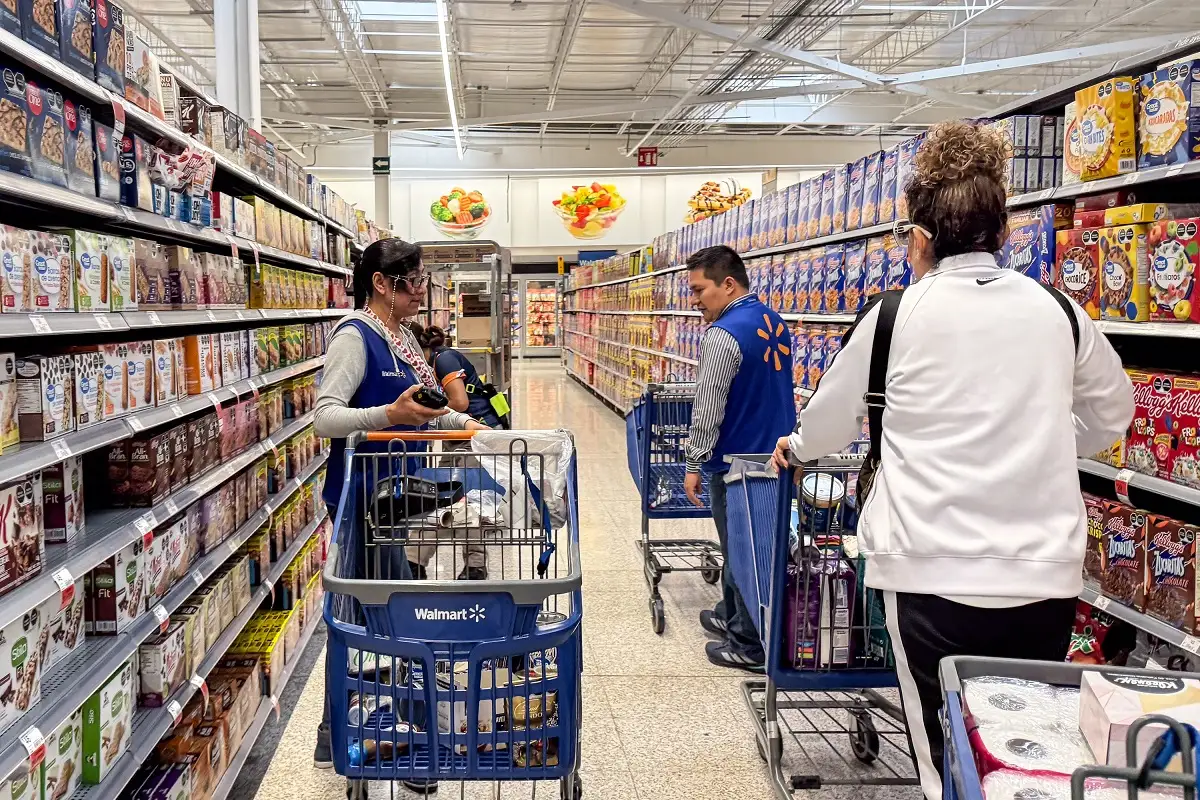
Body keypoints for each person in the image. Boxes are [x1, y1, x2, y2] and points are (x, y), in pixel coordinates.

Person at [771, 121, 1134, 800]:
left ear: (921, 235)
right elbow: (1115, 411)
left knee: (948, 756)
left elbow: (826, 421)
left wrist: (794, 448)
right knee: (1030, 749)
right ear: (1002, 233)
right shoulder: (1057, 310)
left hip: (928, 570)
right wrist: (1048, 445)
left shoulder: (894, 316)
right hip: (1043, 577)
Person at [312, 238, 487, 792]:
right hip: (362, 504)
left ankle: (331, 731)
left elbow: (427, 412)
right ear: (381, 284)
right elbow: (324, 419)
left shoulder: (404, 338)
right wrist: (388, 413)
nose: (420, 290)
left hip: (398, 501)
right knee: (392, 622)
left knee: (362, 616)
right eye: (411, 280)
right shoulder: (354, 337)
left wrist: (474, 432)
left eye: (422, 280)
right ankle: (408, 742)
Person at [683, 245, 796, 672]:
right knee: (752, 545)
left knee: (741, 549)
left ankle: (748, 641)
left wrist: (694, 462)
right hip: (774, 455)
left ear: (728, 284)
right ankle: (733, 617)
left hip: (734, 461)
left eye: (700, 290)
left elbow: (708, 404)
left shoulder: (722, 334)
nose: (695, 301)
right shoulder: (773, 320)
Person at [408, 321, 505, 429]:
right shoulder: (430, 362)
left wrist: (424, 408)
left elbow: (460, 403)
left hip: (482, 425)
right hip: (467, 426)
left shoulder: (444, 360)